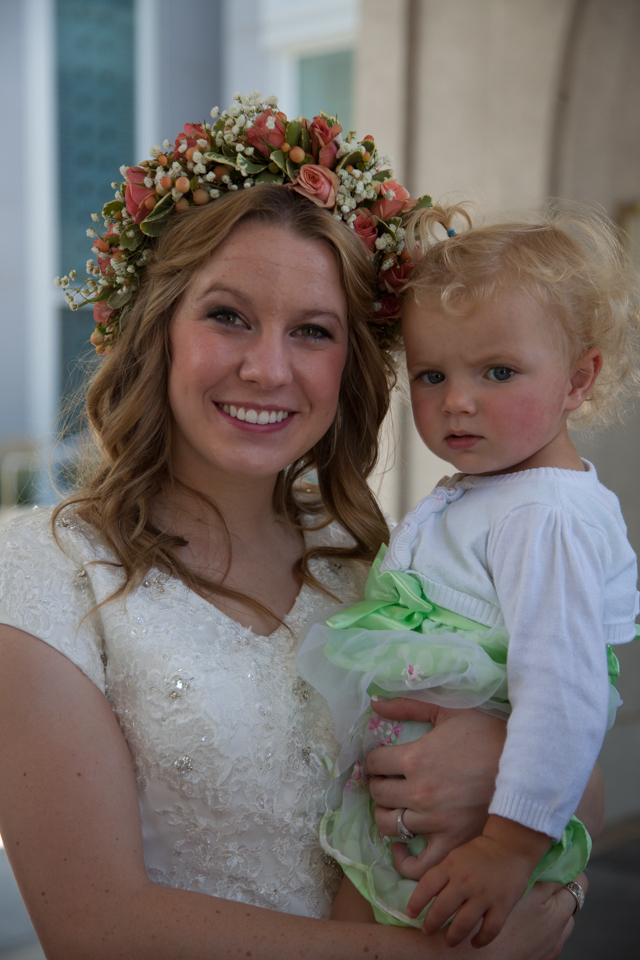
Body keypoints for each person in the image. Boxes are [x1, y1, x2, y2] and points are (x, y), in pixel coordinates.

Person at [0, 98, 592, 959]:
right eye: (228, 315)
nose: (267, 368)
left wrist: (501, 771)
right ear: (157, 328)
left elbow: (586, 769)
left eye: (312, 331)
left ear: (349, 364)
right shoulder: (43, 572)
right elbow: (97, 927)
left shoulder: (376, 557)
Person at [297, 202, 638, 946]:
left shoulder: (543, 517)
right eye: (430, 373)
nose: (457, 400)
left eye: (499, 371)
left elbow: (565, 693)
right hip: (438, 802)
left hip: (486, 828)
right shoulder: (497, 492)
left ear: (579, 380)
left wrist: (507, 849)